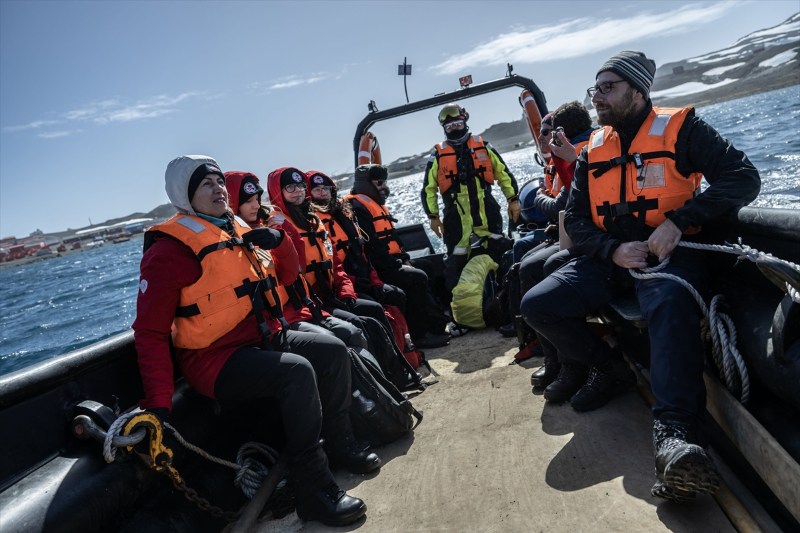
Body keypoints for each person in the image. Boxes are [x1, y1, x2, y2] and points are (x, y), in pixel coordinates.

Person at [521, 51, 760, 503]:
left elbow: (743, 177)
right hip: (610, 259)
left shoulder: (682, 129)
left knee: (669, 306)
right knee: (538, 305)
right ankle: (609, 368)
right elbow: (577, 219)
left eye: (607, 88)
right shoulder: (594, 148)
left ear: (637, 91)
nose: (597, 97)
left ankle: (676, 435)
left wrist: (678, 221)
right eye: (595, 89)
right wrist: (611, 250)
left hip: (668, 255)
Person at [133, 156, 378, 526]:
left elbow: (289, 274)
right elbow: (150, 332)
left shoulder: (237, 227)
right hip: (213, 359)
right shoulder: (169, 251)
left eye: (219, 180)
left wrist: (281, 241)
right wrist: (158, 404)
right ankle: (314, 489)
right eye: (205, 184)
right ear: (184, 195)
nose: (218, 188)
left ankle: (341, 444)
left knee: (332, 350)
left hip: (262, 335)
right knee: (296, 372)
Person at [515, 102, 597, 387]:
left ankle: (569, 362)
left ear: (562, 132)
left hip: (588, 237)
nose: (544, 137)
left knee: (536, 266)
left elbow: (560, 204)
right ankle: (555, 359)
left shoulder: (580, 153)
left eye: (547, 131)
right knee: (525, 263)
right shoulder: (570, 154)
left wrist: (538, 195)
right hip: (573, 231)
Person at [266, 167, 390, 347]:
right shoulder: (274, 227)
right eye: (290, 187)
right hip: (305, 303)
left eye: (300, 186)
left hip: (330, 294)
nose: (297, 191)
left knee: (375, 310)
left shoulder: (313, 221)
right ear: (278, 192)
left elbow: (334, 264)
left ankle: (399, 361)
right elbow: (287, 274)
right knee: (357, 324)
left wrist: (346, 292)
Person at [348, 164, 452, 347]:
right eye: (379, 182)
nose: (384, 186)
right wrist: (397, 264)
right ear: (365, 184)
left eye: (384, 182)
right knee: (417, 277)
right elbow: (372, 247)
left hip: (390, 262)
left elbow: (393, 238)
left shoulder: (375, 204)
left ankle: (434, 324)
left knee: (427, 266)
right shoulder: (357, 208)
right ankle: (418, 336)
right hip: (376, 269)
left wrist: (404, 258)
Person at [421, 103, 520, 292]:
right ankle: (459, 303)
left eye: (457, 124)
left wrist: (512, 199)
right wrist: (433, 216)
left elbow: (503, 174)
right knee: (455, 263)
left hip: (487, 211)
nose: (454, 129)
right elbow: (428, 189)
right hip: (455, 218)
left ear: (465, 122)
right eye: (449, 126)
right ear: (444, 129)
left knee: (500, 251)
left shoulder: (484, 146)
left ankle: (506, 294)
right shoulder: (437, 155)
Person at [305, 170, 407, 317]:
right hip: (344, 284)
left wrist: (375, 281)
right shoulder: (312, 224)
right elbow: (329, 267)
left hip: (364, 276)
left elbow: (363, 253)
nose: (323, 193)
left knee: (397, 296)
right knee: (375, 308)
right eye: (317, 190)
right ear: (308, 194)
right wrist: (353, 282)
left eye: (326, 188)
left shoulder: (343, 214)